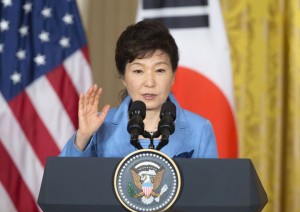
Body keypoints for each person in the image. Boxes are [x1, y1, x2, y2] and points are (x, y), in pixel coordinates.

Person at [59, 19, 218, 159]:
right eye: (138, 71)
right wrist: (82, 137)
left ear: (173, 76)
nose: (149, 82)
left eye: (160, 70)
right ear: (123, 77)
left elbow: (212, 189)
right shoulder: (100, 126)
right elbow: (63, 184)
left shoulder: (199, 130)